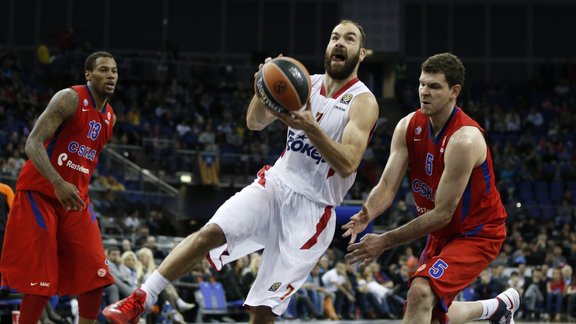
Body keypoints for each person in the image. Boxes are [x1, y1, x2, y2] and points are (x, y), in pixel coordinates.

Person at [103, 19, 379, 324]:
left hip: (313, 211)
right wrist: (262, 87)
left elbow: (349, 163)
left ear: (361, 53)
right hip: (276, 184)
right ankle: (141, 298)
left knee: (263, 310)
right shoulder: (303, 83)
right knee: (210, 232)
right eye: (334, 37)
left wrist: (311, 128)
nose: (340, 43)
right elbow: (254, 122)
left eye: (349, 39)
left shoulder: (363, 102)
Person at [342, 53, 520, 324]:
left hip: (476, 233)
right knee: (430, 313)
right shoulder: (407, 126)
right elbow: (388, 185)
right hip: (440, 234)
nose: (424, 92)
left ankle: (496, 308)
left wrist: (384, 240)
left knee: (421, 293)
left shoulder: (465, 140)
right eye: (422, 84)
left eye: (434, 86)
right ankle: (497, 308)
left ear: (454, 92)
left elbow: (442, 213)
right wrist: (368, 212)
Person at [0, 51, 118, 324]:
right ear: (88, 74)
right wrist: (57, 182)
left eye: (114, 70)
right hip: (40, 192)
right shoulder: (70, 98)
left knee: (96, 275)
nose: (110, 75)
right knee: (41, 281)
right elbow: (32, 144)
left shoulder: (109, 118)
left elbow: (83, 161)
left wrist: (71, 185)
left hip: (75, 199)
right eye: (103, 70)